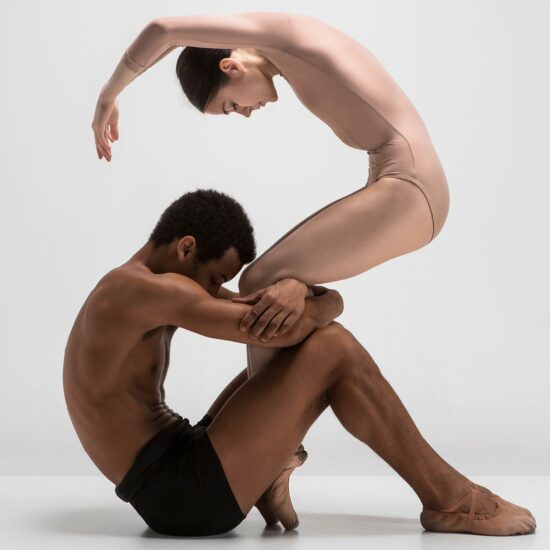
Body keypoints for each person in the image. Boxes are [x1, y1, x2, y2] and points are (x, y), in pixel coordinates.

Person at [91, 11, 453, 498]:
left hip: (410, 185)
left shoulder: (282, 36)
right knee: (272, 279)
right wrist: (306, 288)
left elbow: (164, 29)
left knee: (262, 278)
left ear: (230, 68)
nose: (244, 114)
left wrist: (109, 95)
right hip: (397, 181)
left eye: (229, 107)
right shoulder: (286, 49)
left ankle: (276, 449)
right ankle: (275, 445)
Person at [63, 189, 535, 537]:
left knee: (304, 352)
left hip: (179, 463)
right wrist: (325, 299)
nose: (216, 291)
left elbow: (266, 316)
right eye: (214, 278)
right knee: (333, 348)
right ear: (185, 248)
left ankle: (266, 475)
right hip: (181, 497)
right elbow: (279, 326)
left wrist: (299, 294)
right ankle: (450, 500)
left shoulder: (142, 285)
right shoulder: (142, 291)